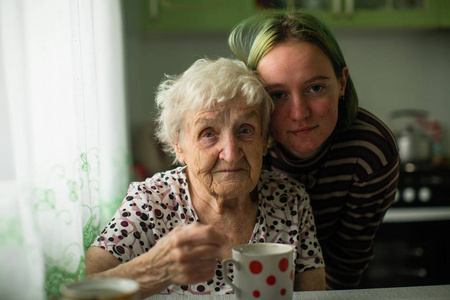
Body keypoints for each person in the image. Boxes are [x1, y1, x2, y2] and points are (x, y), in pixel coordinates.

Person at [85, 57, 326, 297]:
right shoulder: (150, 201)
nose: (231, 155)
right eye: (208, 133)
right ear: (179, 147)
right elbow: (83, 287)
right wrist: (152, 270)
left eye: (245, 130)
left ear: (264, 141)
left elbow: (314, 295)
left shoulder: (290, 200)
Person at [228, 11, 400, 290]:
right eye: (277, 95)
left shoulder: (370, 151)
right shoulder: (242, 151)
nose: (299, 113)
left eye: (315, 88)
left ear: (342, 83)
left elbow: (347, 259)